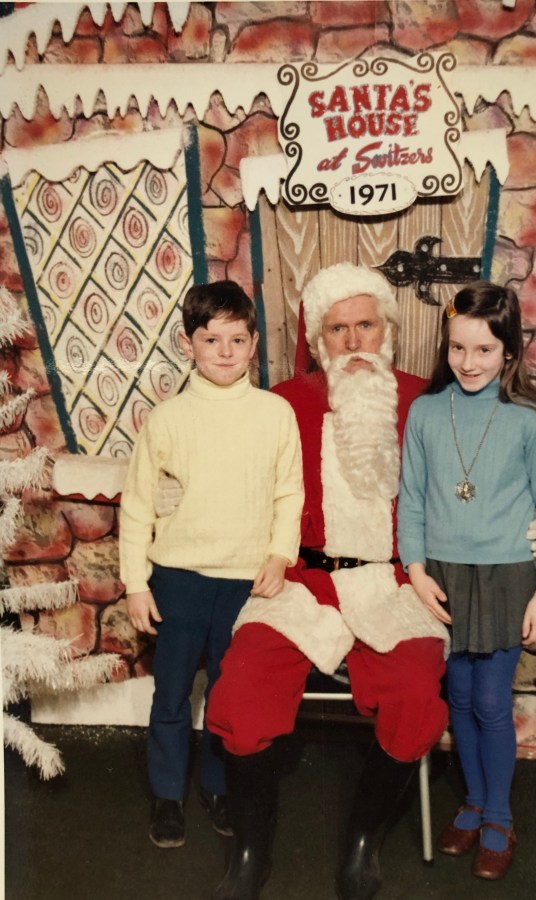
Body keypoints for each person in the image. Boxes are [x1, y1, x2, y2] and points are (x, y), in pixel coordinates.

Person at [203, 263, 451, 900]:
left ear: (385, 330)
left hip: (394, 584)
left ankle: (363, 843)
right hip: (302, 580)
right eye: (336, 329)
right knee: (240, 687)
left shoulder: (424, 400)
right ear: (318, 339)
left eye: (364, 324)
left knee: (419, 693)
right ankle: (252, 853)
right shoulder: (286, 401)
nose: (352, 341)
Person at [118, 281, 303, 850]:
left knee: (229, 691)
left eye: (237, 339)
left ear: (254, 346)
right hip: (178, 578)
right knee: (172, 690)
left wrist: (279, 554)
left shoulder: (275, 413)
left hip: (245, 579)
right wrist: (135, 584)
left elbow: (288, 494)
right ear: (188, 343)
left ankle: (221, 786)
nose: (224, 351)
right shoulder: (169, 419)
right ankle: (168, 794)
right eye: (210, 339)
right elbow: (138, 504)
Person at [398, 281, 536, 881]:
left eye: (484, 351)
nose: (468, 363)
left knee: (493, 701)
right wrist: (416, 570)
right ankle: (471, 804)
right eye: (457, 349)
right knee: (461, 699)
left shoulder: (528, 422)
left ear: (509, 353)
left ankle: (498, 816)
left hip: (505, 578)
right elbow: (413, 499)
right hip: (441, 578)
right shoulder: (425, 411)